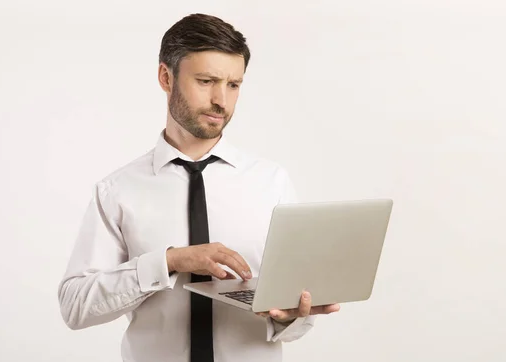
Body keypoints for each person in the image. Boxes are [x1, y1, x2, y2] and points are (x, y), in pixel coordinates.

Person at [57, 13, 340, 362]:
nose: (222, 100)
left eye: (234, 85)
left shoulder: (271, 183)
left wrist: (293, 317)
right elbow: (75, 306)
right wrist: (170, 261)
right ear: (166, 77)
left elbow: (293, 309)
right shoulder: (118, 191)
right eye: (207, 81)